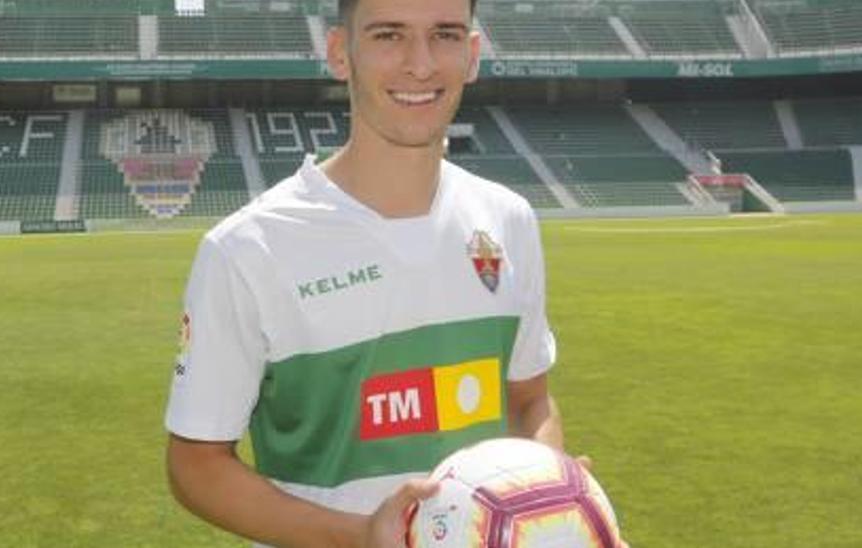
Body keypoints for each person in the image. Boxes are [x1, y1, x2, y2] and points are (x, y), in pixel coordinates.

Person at [164, 0, 579, 545]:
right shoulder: (246, 249)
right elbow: (195, 464)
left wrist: (549, 493)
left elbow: (528, 398)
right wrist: (363, 535)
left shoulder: (508, 219)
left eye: (446, 35)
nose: (421, 64)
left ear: (472, 54)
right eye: (389, 35)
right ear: (341, 52)